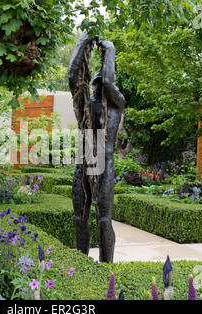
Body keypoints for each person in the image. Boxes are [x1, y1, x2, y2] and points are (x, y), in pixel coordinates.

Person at [68, 32, 125, 263]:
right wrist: (84, 42)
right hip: (83, 162)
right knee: (80, 217)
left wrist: (109, 50)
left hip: (105, 164)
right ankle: (82, 266)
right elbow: (73, 75)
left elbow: (109, 83)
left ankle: (106, 269)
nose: (99, 83)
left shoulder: (117, 102)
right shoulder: (86, 104)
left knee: (103, 220)